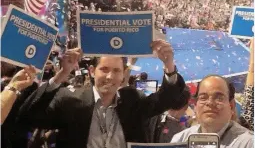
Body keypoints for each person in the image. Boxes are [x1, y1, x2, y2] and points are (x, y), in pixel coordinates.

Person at [14, 40, 186, 148]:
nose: (110, 77)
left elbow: (167, 98)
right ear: (92, 70)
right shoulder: (70, 100)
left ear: (123, 74)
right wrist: (61, 75)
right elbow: (29, 117)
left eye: (116, 71)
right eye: (104, 69)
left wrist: (169, 64)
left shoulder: (133, 100)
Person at [171, 75, 254, 148]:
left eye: (218, 98)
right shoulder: (180, 140)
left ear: (231, 106)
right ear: (196, 106)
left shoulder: (249, 143)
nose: (210, 103)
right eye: (203, 97)